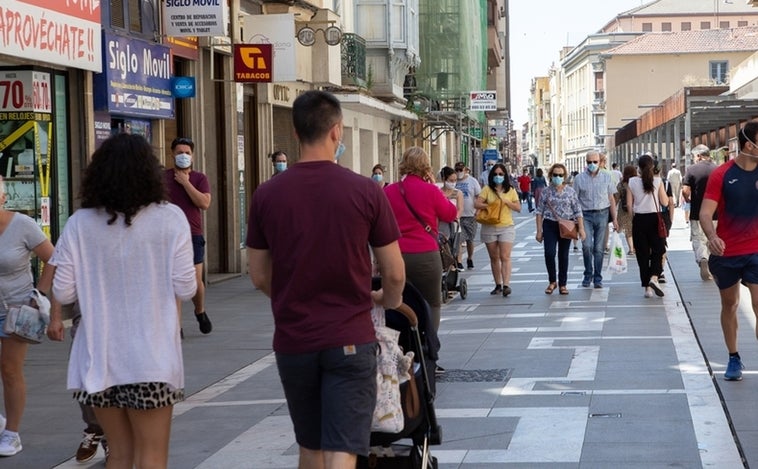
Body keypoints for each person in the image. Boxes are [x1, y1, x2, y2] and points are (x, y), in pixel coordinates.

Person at [246, 90, 405, 468]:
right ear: (337, 131)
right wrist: (389, 300)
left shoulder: (267, 195)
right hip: (350, 337)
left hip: (294, 339)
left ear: (296, 133)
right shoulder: (366, 191)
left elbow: (258, 275)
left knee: (311, 446)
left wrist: (289, 293)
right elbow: (395, 271)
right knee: (343, 447)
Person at [49, 133, 197, 468]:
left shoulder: (79, 223)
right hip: (153, 358)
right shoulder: (170, 218)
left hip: (99, 359)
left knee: (119, 454)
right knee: (152, 455)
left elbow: (63, 292)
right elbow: (186, 287)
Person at [0, 175, 55, 456]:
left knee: (10, 370)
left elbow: (52, 259)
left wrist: (40, 295)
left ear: (3, 197)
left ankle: (12, 434)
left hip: (15, 310)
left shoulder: (22, 225)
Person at [699, 122, 758, 381]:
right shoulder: (721, 174)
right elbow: (705, 212)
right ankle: (734, 357)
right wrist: (712, 236)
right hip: (728, 251)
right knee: (730, 304)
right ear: (750, 145)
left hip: (756, 250)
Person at [386, 148, 457, 331]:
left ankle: (406, 346)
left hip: (396, 255)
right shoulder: (430, 191)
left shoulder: (390, 191)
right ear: (426, 167)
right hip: (426, 255)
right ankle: (429, 349)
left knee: (399, 301)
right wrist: (435, 188)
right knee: (433, 303)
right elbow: (450, 214)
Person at [48, 302, 108, 463]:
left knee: (116, 376)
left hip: (127, 315)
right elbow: (62, 282)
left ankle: (111, 438)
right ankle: (95, 427)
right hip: (86, 313)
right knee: (83, 372)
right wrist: (55, 317)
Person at [165, 137, 212, 335]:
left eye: (187, 153)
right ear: (172, 154)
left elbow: (204, 203)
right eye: (179, 152)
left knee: (193, 281)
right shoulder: (162, 177)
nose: (183, 156)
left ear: (192, 156)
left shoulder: (200, 178)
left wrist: (185, 183)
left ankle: (200, 311)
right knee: (172, 282)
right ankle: (177, 327)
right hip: (168, 237)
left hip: (192, 234)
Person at [535, 164, 585, 295]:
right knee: (549, 253)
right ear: (551, 176)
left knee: (563, 255)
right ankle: (552, 281)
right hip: (550, 224)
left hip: (567, 225)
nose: (558, 177)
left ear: (564, 176)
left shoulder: (570, 191)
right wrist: (539, 230)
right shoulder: (546, 191)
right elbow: (539, 211)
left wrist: (581, 229)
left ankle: (563, 284)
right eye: (555, 175)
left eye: (560, 175)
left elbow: (577, 210)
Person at [573, 150, 618, 288]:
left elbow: (611, 198)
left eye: (595, 162)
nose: (592, 164)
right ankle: (588, 273)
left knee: (599, 248)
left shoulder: (606, 177)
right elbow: (575, 200)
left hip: (602, 213)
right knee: (587, 246)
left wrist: (615, 219)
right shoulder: (579, 178)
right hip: (584, 215)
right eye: (589, 162)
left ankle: (597, 277)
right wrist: (575, 219)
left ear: (600, 162)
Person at [474, 163, 521, 296]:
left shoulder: (510, 190)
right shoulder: (487, 189)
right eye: (495, 174)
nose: (498, 176)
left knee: (505, 256)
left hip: (506, 226)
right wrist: (488, 204)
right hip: (489, 225)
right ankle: (498, 284)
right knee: (494, 257)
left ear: (505, 175)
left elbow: (518, 208)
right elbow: (476, 203)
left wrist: (507, 202)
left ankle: (506, 284)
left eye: (500, 174)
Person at [626, 153, 669, 298]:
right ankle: (654, 277)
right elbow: (664, 202)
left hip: (639, 220)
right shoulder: (658, 181)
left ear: (638, 167)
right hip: (654, 219)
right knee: (659, 249)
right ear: (652, 167)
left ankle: (647, 289)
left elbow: (629, 205)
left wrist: (634, 218)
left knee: (642, 254)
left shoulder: (631, 182)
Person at [682, 144, 717, 281]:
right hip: (715, 212)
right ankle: (712, 266)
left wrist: (688, 200)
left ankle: (702, 258)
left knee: (698, 238)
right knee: (712, 238)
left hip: (697, 212)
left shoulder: (691, 170)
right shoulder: (718, 169)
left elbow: (685, 191)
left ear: (698, 156)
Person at [454, 161, 482, 270]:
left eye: (461, 170)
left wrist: (477, 211)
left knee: (470, 239)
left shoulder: (472, 181)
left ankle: (470, 258)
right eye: (457, 170)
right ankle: (459, 261)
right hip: (458, 216)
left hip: (471, 215)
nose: (458, 172)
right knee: (459, 239)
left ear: (465, 170)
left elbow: (479, 196)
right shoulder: (454, 181)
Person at [615, 165, 637, 255]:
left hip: (623, 210)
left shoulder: (621, 184)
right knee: (636, 229)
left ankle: (631, 249)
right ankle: (636, 247)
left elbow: (616, 197)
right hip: (636, 208)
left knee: (628, 229)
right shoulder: (637, 183)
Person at [438, 166, 464, 242]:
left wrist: (455, 218)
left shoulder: (458, 193)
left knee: (455, 249)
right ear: (444, 179)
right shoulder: (438, 192)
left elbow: (460, 208)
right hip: (440, 226)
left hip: (454, 225)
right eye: (451, 180)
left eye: (455, 180)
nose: (453, 183)